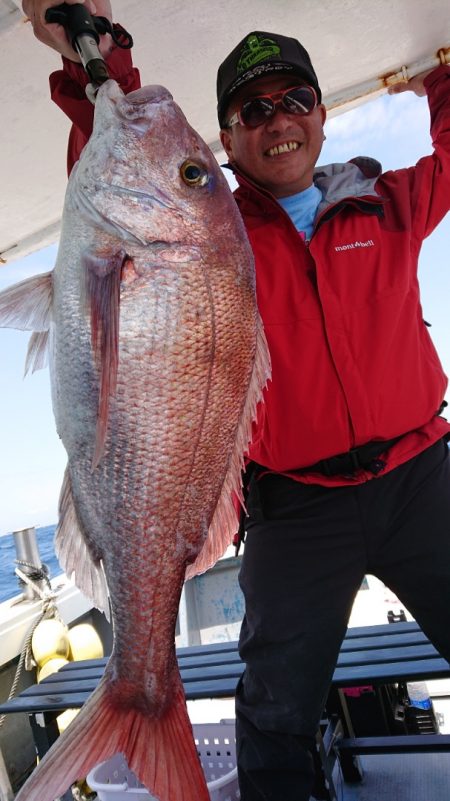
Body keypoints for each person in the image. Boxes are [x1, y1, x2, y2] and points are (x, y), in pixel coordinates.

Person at [22, 3, 450, 799]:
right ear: (227, 139)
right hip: (296, 508)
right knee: (274, 714)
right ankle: (151, 710)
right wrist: (99, 60)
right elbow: (122, 168)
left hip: (423, 478)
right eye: (254, 109)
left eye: (295, 100)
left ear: (321, 115)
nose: (278, 120)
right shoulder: (220, 234)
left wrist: (443, 77)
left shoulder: (388, 201)